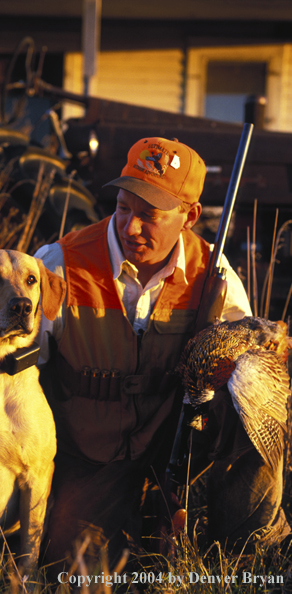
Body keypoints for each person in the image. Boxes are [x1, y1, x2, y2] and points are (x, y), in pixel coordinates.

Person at [35, 137, 289, 574]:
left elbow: (260, 362)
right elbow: (15, 377)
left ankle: (246, 551)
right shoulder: (59, 265)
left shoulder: (215, 273)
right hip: (88, 455)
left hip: (176, 449)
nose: (130, 227)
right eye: (122, 208)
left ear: (189, 216)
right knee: (74, 573)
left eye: (149, 215)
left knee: (257, 398)